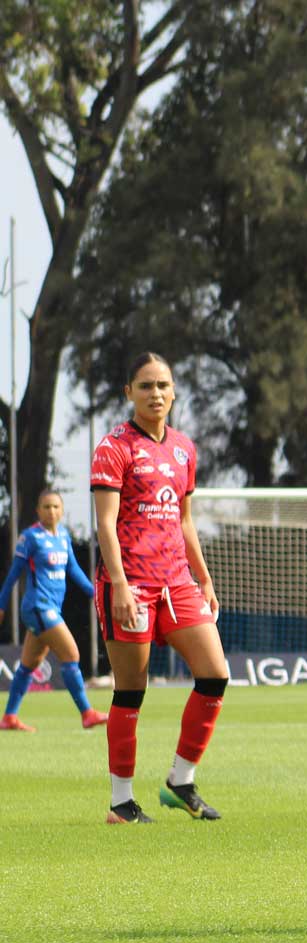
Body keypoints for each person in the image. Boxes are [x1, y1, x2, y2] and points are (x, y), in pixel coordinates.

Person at [90, 352, 230, 824]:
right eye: (146, 385)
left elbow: (184, 520)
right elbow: (105, 524)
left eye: (163, 385)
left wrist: (203, 576)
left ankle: (181, 780)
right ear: (129, 392)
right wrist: (120, 586)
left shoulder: (184, 449)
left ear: (173, 392)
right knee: (132, 690)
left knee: (215, 675)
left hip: (177, 583)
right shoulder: (114, 447)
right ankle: (121, 802)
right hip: (131, 584)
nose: (156, 394)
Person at [0, 492, 107, 732]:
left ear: (62, 509)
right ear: (38, 510)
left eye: (56, 506)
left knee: (29, 664)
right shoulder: (30, 537)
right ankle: (87, 713)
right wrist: (1, 604)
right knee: (71, 654)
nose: (51, 511)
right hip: (38, 607)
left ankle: (9, 717)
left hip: (51, 608)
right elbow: (13, 574)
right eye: (46, 506)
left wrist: (96, 593)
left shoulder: (63, 536)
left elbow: (74, 569)